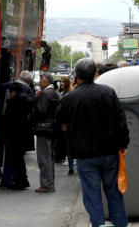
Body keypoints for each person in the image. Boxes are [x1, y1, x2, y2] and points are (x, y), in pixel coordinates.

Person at [55, 58, 129, 227]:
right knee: (114, 194)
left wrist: (72, 92)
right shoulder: (108, 92)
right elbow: (121, 121)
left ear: (76, 76)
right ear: (95, 74)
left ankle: (98, 224)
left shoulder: (71, 97)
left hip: (85, 155)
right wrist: (124, 144)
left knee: (92, 195)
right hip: (110, 152)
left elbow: (60, 119)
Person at [0, 71, 36, 190]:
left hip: (7, 127)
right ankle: (19, 180)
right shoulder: (28, 92)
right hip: (20, 130)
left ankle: (8, 179)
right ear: (29, 81)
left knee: (11, 155)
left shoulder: (6, 86)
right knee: (17, 156)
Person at [32, 73, 61, 193]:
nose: (40, 81)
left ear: (47, 81)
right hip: (53, 128)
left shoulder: (44, 93)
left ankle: (47, 184)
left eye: (41, 79)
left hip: (44, 128)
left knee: (43, 157)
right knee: (49, 157)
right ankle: (50, 181)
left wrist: (32, 115)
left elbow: (40, 110)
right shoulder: (55, 93)